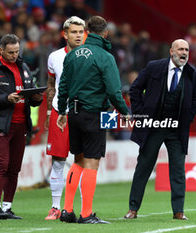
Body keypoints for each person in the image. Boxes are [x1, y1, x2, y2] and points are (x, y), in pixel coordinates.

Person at [57, 15, 129, 224]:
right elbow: (115, 92)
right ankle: (86, 214)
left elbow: (63, 87)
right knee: (92, 162)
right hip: (95, 113)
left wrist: (62, 111)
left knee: (78, 160)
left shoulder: (71, 55)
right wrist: (125, 112)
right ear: (105, 33)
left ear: (87, 32)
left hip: (74, 113)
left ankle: (67, 210)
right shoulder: (105, 56)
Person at [124, 39, 196, 220]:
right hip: (154, 126)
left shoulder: (192, 73)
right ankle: (133, 209)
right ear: (171, 51)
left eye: (186, 50)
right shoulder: (154, 67)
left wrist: (187, 119)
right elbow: (135, 89)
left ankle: (178, 211)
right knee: (143, 166)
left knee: (178, 170)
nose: (184, 53)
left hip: (176, 129)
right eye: (180, 49)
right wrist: (141, 114)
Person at [0, 34, 43, 220]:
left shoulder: (23, 68)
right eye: (11, 52)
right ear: (1, 50)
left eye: (17, 51)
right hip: (0, 124)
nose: (14, 55)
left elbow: (29, 95)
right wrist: (6, 99)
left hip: (21, 125)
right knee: (2, 164)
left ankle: (7, 207)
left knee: (14, 167)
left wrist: (36, 99)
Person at [44, 16, 85, 221]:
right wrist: (50, 113)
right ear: (65, 34)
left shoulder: (92, 55)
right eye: (74, 32)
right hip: (60, 113)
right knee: (58, 161)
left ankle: (81, 207)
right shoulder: (54, 57)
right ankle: (55, 206)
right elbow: (51, 84)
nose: (78, 36)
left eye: (81, 32)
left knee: (82, 161)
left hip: (84, 113)